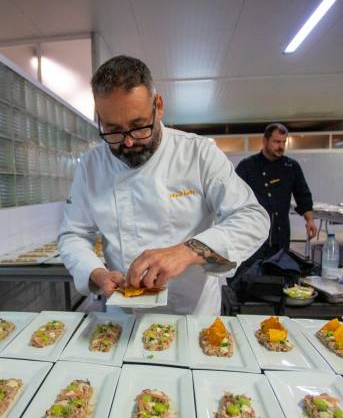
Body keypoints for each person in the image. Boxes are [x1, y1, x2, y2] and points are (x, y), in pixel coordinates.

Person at [58, 55, 270, 315]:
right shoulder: (92, 166)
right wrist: (96, 274)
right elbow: (73, 235)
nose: (128, 143)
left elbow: (253, 218)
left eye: (138, 126)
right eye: (113, 130)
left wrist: (188, 250)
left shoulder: (197, 153)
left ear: (158, 106)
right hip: (124, 318)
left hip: (191, 316)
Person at [235, 123, 317, 271]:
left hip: (281, 231)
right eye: (276, 141)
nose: (281, 146)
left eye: (284, 142)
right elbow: (233, 196)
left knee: (278, 272)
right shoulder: (247, 166)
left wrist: (310, 219)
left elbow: (302, 194)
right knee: (252, 273)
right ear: (265, 141)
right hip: (253, 231)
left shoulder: (291, 167)